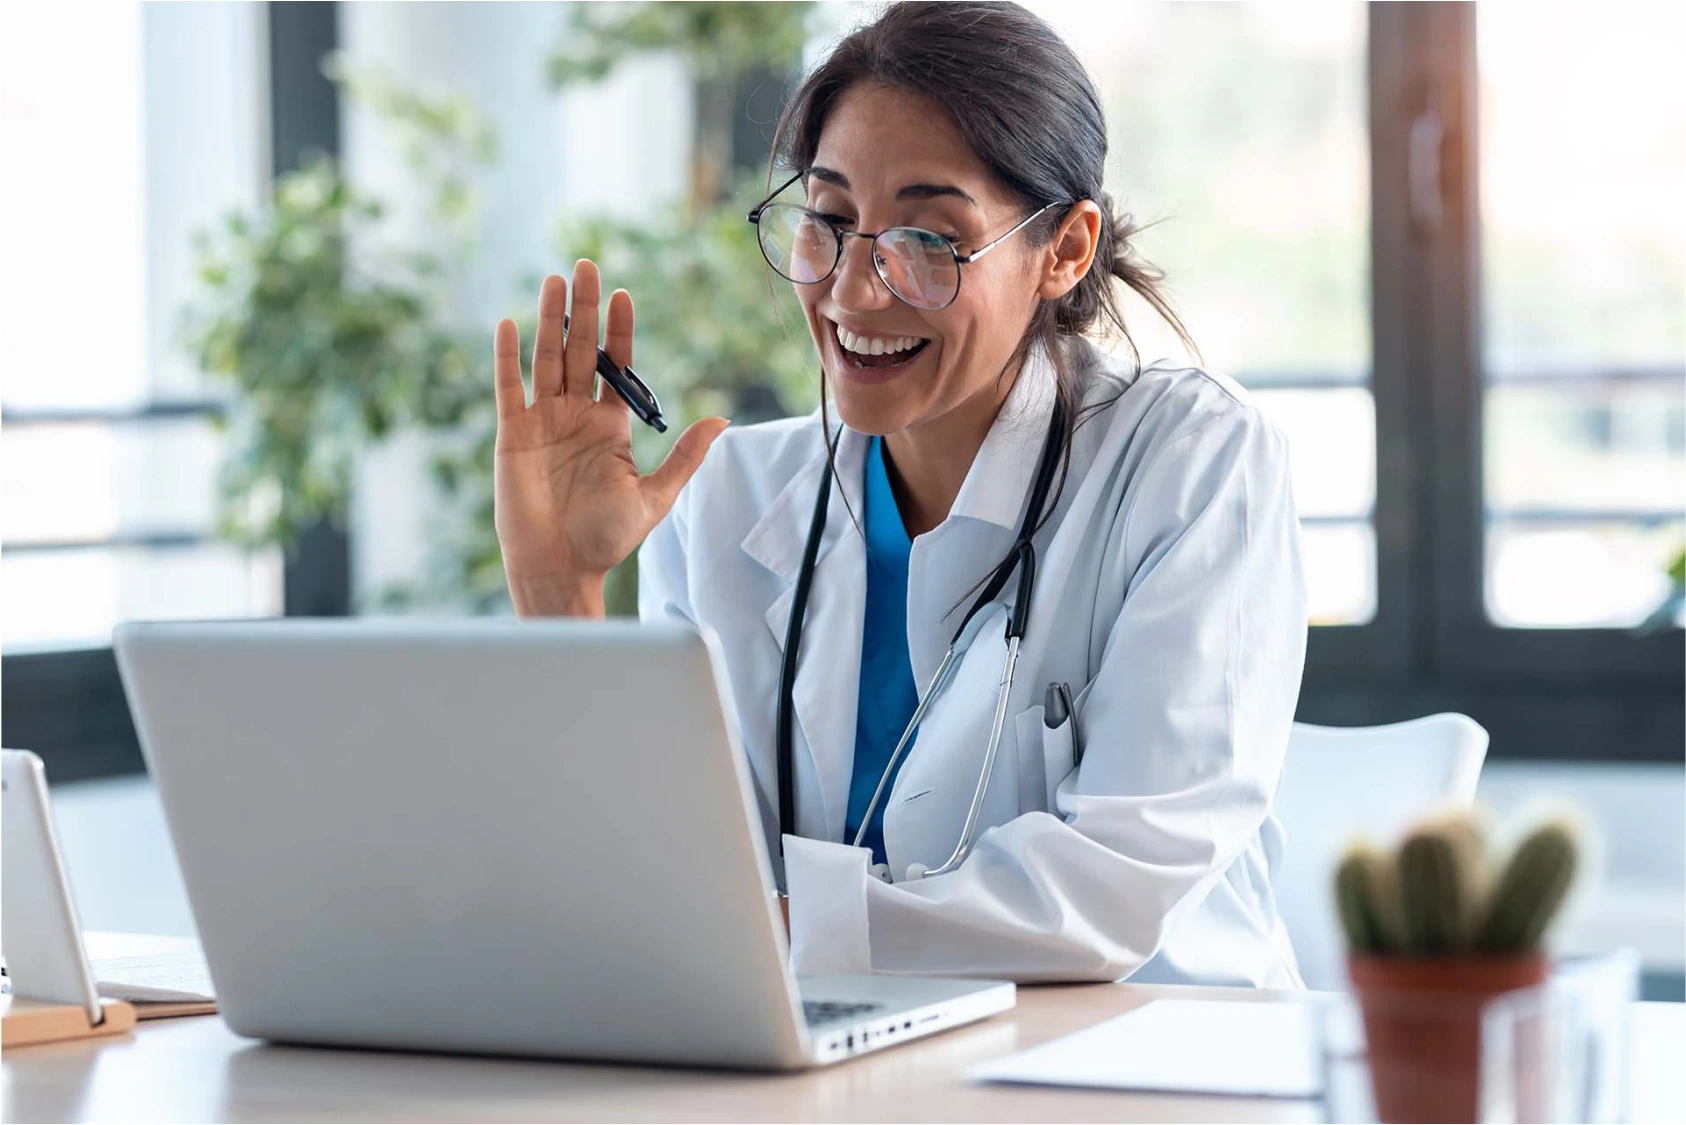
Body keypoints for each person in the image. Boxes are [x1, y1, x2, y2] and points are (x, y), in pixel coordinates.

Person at [490, 1, 1307, 986]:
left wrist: (768, 933)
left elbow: (1113, 888)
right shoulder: (726, 499)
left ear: (1066, 249)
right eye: (828, 222)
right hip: (837, 1067)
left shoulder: (1191, 463)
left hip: (1145, 1062)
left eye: (927, 238)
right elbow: (654, 882)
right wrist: (559, 594)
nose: (854, 292)